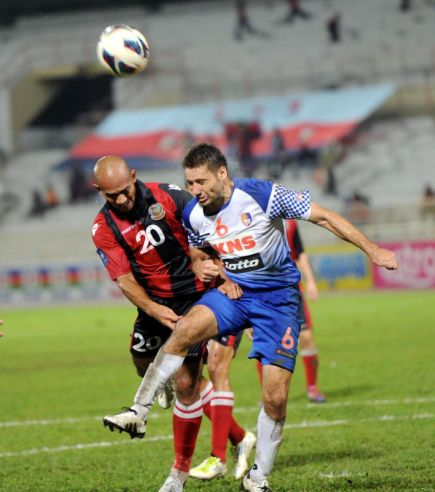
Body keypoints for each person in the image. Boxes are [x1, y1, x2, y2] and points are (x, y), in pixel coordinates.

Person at [103, 144, 397, 492]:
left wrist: (372, 249)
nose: (194, 191)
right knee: (185, 331)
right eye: (189, 182)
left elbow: (325, 216)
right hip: (235, 295)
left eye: (200, 182)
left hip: (278, 302)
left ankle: (257, 478)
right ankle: (138, 410)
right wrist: (201, 262)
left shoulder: (262, 195)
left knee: (274, 397)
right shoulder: (194, 214)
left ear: (222, 173)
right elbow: (198, 250)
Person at [91, 155, 251, 492]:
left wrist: (212, 266)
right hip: (154, 305)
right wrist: (151, 308)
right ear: (98, 191)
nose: (121, 200)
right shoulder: (103, 227)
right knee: (141, 362)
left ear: (134, 176)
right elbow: (123, 279)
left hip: (194, 299)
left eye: (124, 191)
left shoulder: (168, 196)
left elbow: (207, 229)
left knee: (187, 385)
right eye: (111, 196)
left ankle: (176, 477)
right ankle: (239, 436)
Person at [255, 220, 326, 402]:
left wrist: (310, 281)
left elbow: (300, 253)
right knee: (264, 344)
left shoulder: (290, 222)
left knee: (306, 338)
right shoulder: (252, 215)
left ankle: (312, 388)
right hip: (263, 290)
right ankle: (267, 394)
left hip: (290, 289)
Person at [189, 334, 257, 480]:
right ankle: (240, 437)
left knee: (216, 368)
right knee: (189, 377)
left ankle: (218, 458)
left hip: (228, 312)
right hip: (196, 313)